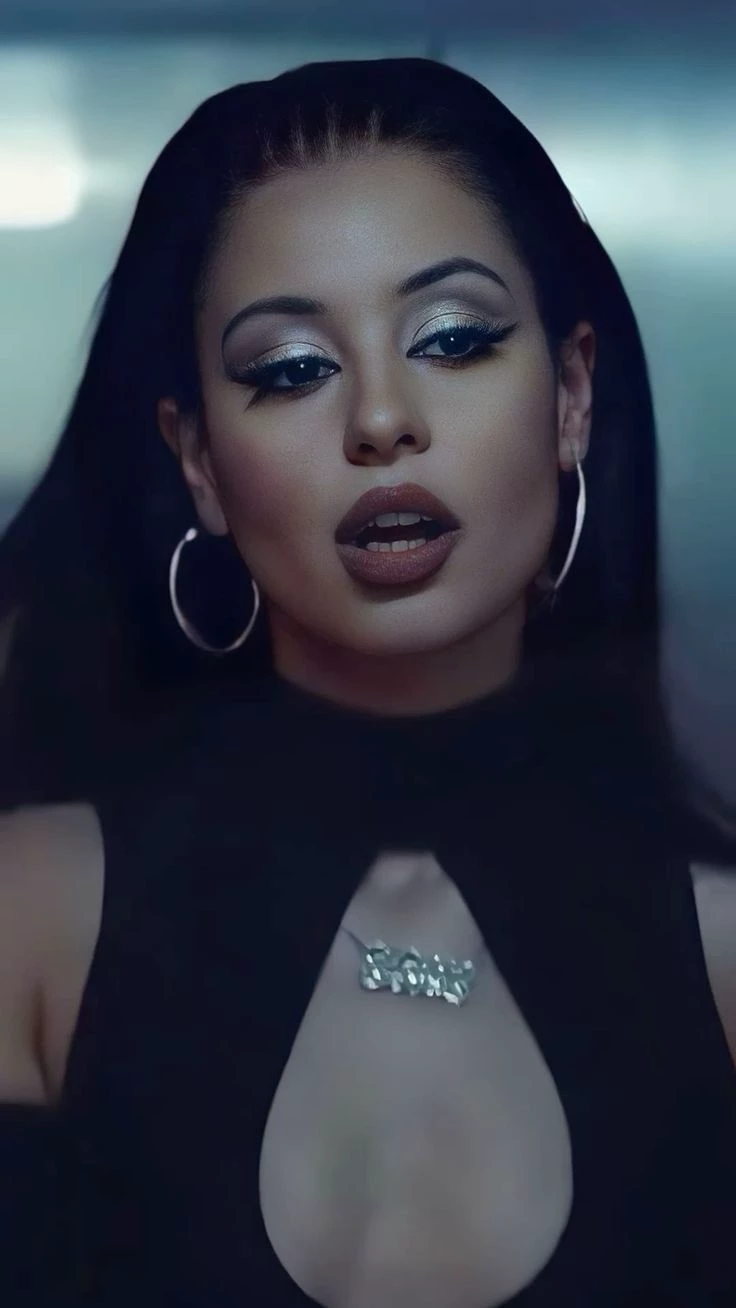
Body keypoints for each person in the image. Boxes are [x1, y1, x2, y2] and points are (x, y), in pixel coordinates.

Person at [0, 55, 735, 1308]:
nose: (381, 421)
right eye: (291, 368)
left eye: (451, 340)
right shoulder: (33, 916)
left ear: (570, 398)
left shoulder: (720, 951)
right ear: (199, 463)